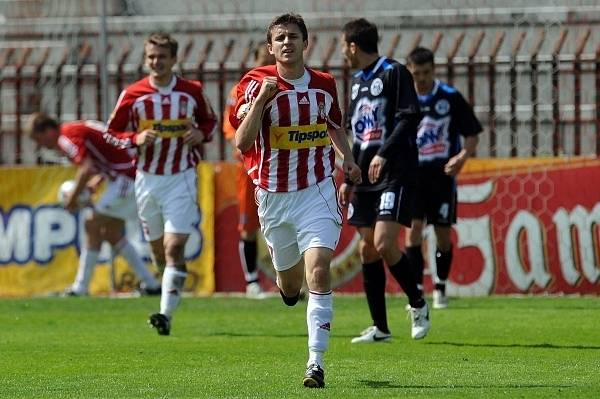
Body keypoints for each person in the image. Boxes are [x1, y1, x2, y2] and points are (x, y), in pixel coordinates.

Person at [229, 13, 361, 388]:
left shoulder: (324, 84)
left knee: (318, 269)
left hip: (317, 191)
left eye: (294, 37)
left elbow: (333, 125)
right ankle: (289, 292)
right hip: (273, 197)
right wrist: (261, 103)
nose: (287, 43)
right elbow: (241, 142)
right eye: (280, 38)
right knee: (290, 285)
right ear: (270, 47)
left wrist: (347, 159)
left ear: (307, 43)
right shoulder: (254, 83)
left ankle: (315, 363)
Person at [103, 32, 217, 335]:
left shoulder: (192, 91)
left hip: (181, 177)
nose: (156, 62)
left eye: (162, 57)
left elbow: (211, 122)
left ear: (173, 59)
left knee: (174, 246)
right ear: (146, 59)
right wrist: (135, 138)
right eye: (151, 57)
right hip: (147, 180)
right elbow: (111, 132)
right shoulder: (133, 93)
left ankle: (165, 314)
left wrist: (200, 134)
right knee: (157, 251)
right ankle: (168, 293)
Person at [339, 18, 430, 344]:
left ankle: (418, 303)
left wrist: (384, 154)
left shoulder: (394, 72)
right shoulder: (357, 81)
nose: (342, 53)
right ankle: (381, 327)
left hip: (394, 171)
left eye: (343, 46)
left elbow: (409, 116)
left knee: (383, 242)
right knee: (367, 249)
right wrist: (349, 176)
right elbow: (356, 134)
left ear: (352, 45)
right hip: (364, 175)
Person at [26, 113, 161, 296]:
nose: (42, 144)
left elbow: (86, 168)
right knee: (110, 233)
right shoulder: (74, 129)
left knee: (91, 224)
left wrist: (72, 200)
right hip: (130, 173)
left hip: (127, 178)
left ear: (49, 130)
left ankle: (80, 288)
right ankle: (151, 284)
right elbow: (107, 155)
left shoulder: (65, 137)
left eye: (39, 138)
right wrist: (96, 182)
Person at [405, 47, 482, 309]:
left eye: (426, 72)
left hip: (441, 177)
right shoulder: (403, 99)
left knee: (443, 236)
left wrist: (461, 158)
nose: (422, 78)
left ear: (434, 70)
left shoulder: (449, 97)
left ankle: (440, 287)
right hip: (413, 176)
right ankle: (416, 291)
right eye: (417, 74)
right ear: (410, 72)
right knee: (413, 233)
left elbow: (472, 134)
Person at [222, 44, 275, 298]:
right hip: (249, 168)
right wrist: (242, 143)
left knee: (284, 222)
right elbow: (229, 126)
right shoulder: (240, 90)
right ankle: (252, 281)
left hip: (278, 164)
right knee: (249, 224)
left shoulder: (284, 86)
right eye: (262, 60)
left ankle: (289, 280)